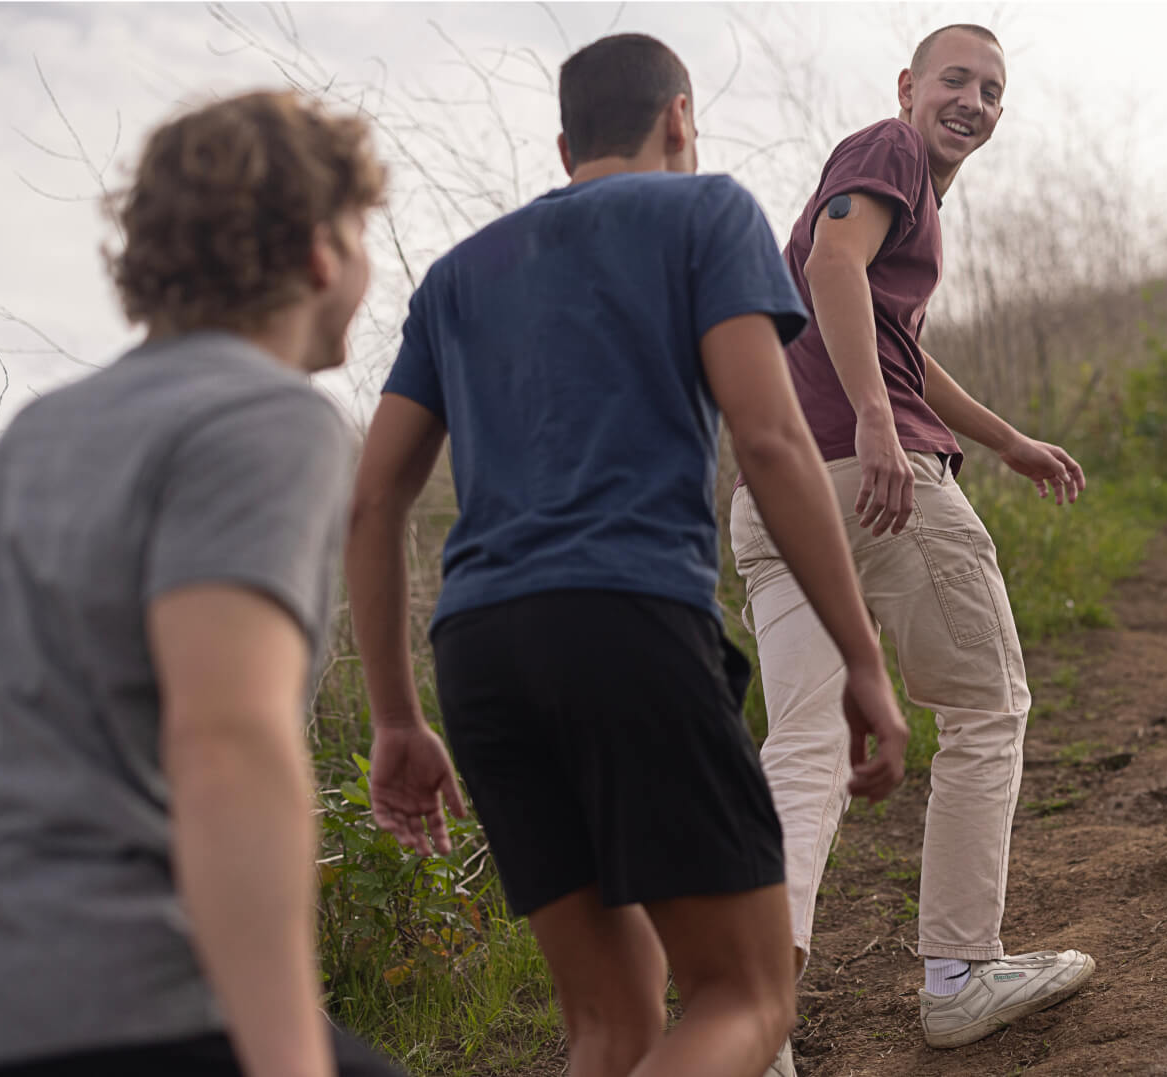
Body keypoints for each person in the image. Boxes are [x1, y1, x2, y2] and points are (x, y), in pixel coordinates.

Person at [344, 32, 910, 1077]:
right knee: (746, 996)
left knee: (612, 1026)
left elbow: (374, 500)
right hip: (628, 623)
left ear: (565, 147)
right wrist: (860, 654)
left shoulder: (459, 273)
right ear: (680, 118)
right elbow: (772, 440)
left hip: (479, 656)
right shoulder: (707, 213)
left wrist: (394, 718)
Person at [0, 91, 405, 1077]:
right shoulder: (264, 415)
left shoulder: (31, 437)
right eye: (362, 230)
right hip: (117, 1000)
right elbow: (227, 739)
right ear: (320, 250)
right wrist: (289, 1060)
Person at [728, 24, 1095, 1070]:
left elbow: (896, 344)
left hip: (776, 495)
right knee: (986, 706)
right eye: (955, 80)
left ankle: (753, 1023)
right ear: (907, 88)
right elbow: (830, 265)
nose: (974, 101)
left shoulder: (907, 198)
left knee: (805, 745)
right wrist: (878, 424)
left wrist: (1006, 440)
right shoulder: (884, 150)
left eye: (993, 90)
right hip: (877, 484)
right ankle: (960, 974)